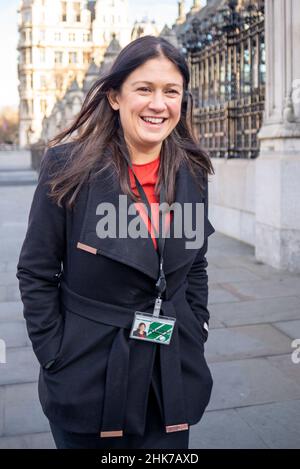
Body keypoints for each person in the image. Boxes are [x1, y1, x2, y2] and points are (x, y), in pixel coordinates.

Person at [16, 35, 215, 449]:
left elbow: (195, 264)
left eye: (171, 92)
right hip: (87, 373)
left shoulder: (191, 170)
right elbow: (36, 271)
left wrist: (198, 325)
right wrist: (55, 354)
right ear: (114, 97)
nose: (158, 104)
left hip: (170, 371)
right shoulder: (66, 166)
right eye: (144, 89)